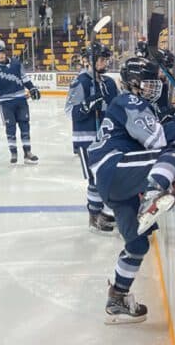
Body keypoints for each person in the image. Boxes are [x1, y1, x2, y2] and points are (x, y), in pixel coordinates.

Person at [86, 56, 175, 323]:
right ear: (133, 83)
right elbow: (158, 140)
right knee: (173, 152)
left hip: (113, 181)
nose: (155, 86)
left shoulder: (136, 103)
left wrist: (172, 117)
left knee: (137, 244)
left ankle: (117, 298)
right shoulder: (129, 101)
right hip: (116, 167)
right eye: (149, 81)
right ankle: (154, 191)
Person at [65, 42, 119, 234]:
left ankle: (104, 212)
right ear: (88, 60)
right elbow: (70, 111)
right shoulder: (81, 82)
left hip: (107, 137)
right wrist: (86, 106)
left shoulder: (109, 82)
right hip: (87, 139)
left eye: (106, 59)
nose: (105, 62)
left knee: (108, 177)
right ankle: (94, 215)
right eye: (101, 59)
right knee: (95, 179)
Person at [0, 44, 41, 164]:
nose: (1, 55)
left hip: (21, 100)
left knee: (25, 126)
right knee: (11, 128)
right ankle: (13, 152)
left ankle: (27, 152)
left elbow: (25, 79)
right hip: (6, 103)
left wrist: (32, 88)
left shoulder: (16, 63)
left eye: (3, 53)